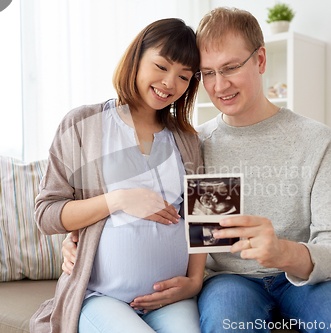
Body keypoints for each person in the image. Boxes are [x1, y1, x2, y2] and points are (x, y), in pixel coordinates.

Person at [62, 8, 331, 333]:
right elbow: (173, 218)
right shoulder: (196, 143)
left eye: (231, 67)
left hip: (308, 282)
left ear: (260, 60)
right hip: (229, 281)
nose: (219, 85)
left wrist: (283, 252)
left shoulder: (315, 140)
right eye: (207, 73)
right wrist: (83, 242)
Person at [30, 18, 206, 333]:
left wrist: (193, 282)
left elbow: (204, 218)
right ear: (137, 57)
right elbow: (46, 214)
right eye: (162, 66)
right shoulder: (83, 124)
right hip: (101, 296)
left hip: (170, 300)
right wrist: (120, 199)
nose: (170, 83)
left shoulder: (188, 139)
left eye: (184, 76)